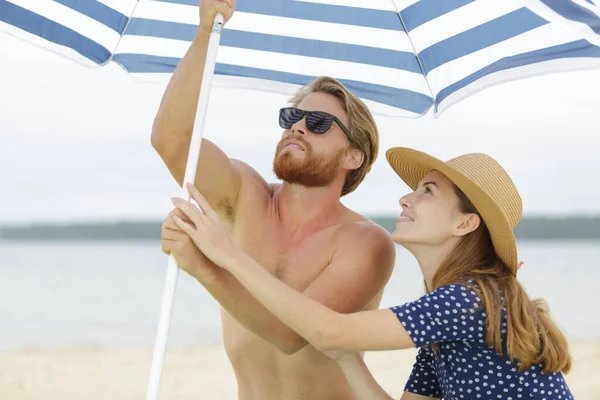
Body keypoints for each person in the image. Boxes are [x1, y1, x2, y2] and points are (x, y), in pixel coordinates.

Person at [171, 147, 574, 400]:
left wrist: (228, 256)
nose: (405, 196)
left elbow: (327, 330)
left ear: (465, 224)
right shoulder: (448, 320)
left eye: (427, 191)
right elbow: (333, 339)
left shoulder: (467, 301)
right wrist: (348, 359)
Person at [152, 1, 396, 398]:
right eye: (291, 118)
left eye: (317, 123)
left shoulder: (366, 243)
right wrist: (203, 32)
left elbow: (291, 335)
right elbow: (172, 141)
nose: (298, 127)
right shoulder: (244, 194)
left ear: (353, 156)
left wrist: (205, 266)